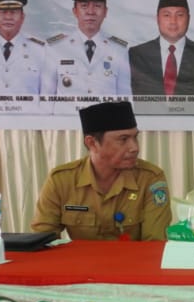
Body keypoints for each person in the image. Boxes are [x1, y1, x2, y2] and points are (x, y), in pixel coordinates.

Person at [31, 100, 170, 241]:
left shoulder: (150, 179)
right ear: (92, 143)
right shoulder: (61, 180)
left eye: (135, 137)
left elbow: (155, 244)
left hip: (135, 256)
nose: (135, 147)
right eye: (123, 139)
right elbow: (42, 239)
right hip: (81, 256)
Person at [44, 0, 131, 97]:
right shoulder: (55, 48)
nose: (91, 12)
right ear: (75, 11)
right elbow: (46, 98)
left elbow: (125, 97)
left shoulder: (119, 50)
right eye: (84, 6)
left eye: (97, 6)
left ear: (105, 11)